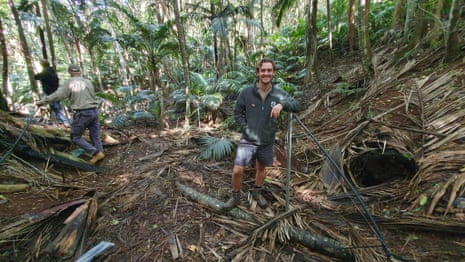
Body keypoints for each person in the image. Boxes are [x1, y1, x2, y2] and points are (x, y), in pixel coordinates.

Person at [222, 58, 301, 211]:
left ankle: (257, 192)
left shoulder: (279, 93)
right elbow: (237, 113)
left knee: (261, 169)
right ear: (258, 73)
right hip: (248, 139)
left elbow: (297, 105)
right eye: (263, 70)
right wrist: (246, 129)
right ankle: (235, 197)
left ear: (273, 73)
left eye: (269, 70)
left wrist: (282, 104)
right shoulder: (246, 92)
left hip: (267, 139)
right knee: (238, 170)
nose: (266, 73)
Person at [37, 64, 104, 165]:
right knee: (95, 135)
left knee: (75, 137)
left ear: (70, 72)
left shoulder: (69, 82)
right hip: (94, 111)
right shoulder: (88, 81)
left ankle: (96, 153)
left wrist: (43, 101)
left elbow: (58, 95)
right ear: (79, 71)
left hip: (83, 112)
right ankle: (100, 154)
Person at [34, 60, 69, 126]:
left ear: (42, 65)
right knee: (55, 107)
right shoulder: (52, 71)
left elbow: (36, 77)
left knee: (56, 108)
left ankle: (65, 122)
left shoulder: (45, 72)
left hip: (50, 92)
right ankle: (58, 122)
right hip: (55, 91)